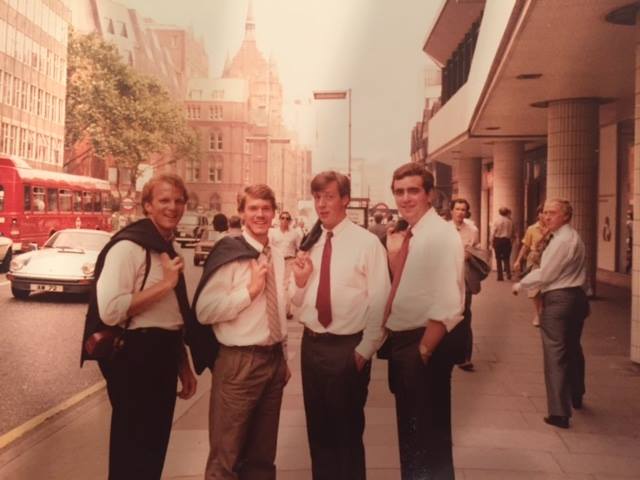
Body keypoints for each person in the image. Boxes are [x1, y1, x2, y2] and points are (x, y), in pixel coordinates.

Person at [85, 173, 200, 479]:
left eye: (178, 201)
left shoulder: (165, 247)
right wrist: (166, 284)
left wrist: (183, 366)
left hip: (163, 355)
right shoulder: (128, 248)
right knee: (131, 451)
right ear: (147, 205)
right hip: (134, 358)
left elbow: (170, 316)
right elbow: (110, 311)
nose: (172, 207)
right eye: (163, 200)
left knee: (153, 449)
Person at [291, 171, 390, 480]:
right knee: (318, 434)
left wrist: (365, 349)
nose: (321, 204)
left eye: (329, 197)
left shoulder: (367, 243)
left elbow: (381, 300)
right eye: (317, 197)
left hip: (347, 349)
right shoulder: (311, 242)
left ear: (345, 199)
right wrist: (300, 281)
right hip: (313, 347)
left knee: (346, 435)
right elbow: (295, 302)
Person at [194, 184, 290, 479]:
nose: (260, 214)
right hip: (239, 365)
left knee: (262, 460)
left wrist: (283, 357)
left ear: (273, 213)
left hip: (273, 361)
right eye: (253, 208)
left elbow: (277, 308)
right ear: (241, 214)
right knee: (227, 458)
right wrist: (249, 292)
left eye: (265, 208)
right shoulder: (230, 252)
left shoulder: (275, 252)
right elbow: (204, 311)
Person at [385, 162, 464, 480]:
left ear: (429, 194)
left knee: (427, 442)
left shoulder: (440, 235)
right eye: (399, 191)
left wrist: (422, 352)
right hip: (407, 344)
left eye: (413, 190)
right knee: (416, 439)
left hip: (422, 345)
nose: (405, 198)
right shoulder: (415, 234)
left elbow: (448, 303)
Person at [513, 199, 589, 429]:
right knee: (573, 347)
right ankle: (577, 393)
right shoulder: (572, 237)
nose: (547, 217)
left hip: (559, 300)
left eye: (553, 213)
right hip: (576, 298)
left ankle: (559, 413)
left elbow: (546, 274)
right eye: (545, 212)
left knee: (555, 353)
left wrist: (521, 284)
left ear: (566, 216)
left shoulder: (562, 241)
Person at [450, 198, 482, 372]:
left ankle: (464, 357)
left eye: (463, 209)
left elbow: (474, 251)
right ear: (452, 211)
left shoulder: (473, 230)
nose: (460, 212)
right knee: (448, 315)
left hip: (465, 278)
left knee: (465, 315)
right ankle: (448, 352)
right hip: (447, 279)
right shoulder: (444, 229)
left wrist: (469, 254)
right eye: (457, 209)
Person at [513, 205, 549, 327]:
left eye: (548, 213)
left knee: (545, 287)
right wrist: (518, 260)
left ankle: (543, 311)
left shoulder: (553, 229)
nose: (545, 216)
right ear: (538, 214)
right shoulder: (532, 229)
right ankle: (538, 314)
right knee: (534, 289)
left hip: (549, 259)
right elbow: (525, 246)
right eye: (543, 213)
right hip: (534, 259)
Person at [269, 210, 302, 319]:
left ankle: (286, 311)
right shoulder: (273, 232)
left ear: (290, 221)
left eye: (287, 218)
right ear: (279, 220)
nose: (284, 220)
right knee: (277, 285)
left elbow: (299, 248)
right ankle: (278, 309)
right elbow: (268, 247)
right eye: (282, 218)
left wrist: (297, 261)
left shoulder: (294, 233)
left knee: (286, 287)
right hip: (276, 261)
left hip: (289, 261)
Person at [491, 206, 514, 281]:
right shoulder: (510, 221)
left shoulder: (497, 221)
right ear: (506, 212)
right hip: (507, 241)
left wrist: (491, 241)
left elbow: (493, 232)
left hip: (498, 240)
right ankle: (508, 274)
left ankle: (500, 276)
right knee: (506, 258)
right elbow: (513, 233)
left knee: (498, 259)